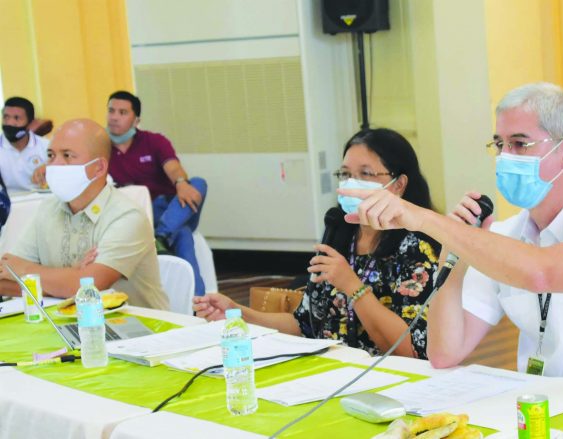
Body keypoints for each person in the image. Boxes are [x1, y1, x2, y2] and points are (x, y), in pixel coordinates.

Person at [338, 83, 563, 399]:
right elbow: (446, 353)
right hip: (554, 413)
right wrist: (453, 250)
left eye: (520, 144)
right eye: (499, 144)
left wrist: (424, 219)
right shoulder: (505, 236)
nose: (505, 157)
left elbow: (542, 273)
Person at [194, 128, 440, 359]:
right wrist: (237, 313)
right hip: (330, 371)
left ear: (398, 184)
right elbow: (305, 324)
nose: (351, 183)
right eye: (345, 174)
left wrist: (352, 286)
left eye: (365, 174)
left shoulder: (417, 246)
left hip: (388, 378)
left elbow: (409, 350)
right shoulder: (340, 233)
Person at [0, 119, 169, 310]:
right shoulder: (47, 209)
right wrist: (71, 278)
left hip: (141, 331)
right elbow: (4, 278)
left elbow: (91, 286)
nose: (55, 165)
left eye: (67, 155)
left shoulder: (127, 216)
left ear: (98, 168)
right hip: (71, 327)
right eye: (51, 155)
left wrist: (27, 271)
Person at [105, 91, 208, 297]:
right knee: (183, 235)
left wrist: (181, 182)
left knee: (197, 183)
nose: (114, 117)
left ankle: (160, 235)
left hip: (172, 208)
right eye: (111, 111)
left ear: (136, 120)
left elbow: (173, 168)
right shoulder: (100, 147)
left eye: (122, 112)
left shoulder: (153, 141)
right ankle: (198, 302)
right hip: (137, 214)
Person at [0, 97, 49, 191]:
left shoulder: (47, 146)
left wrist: (50, 168)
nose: (10, 123)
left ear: (31, 123)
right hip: (7, 202)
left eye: (16, 118)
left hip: (40, 200)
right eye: (6, 117)